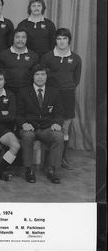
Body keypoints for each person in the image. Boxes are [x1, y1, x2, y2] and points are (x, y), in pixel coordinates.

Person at [41, 28, 82, 169]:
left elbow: (76, 80)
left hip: (68, 96)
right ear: (55, 40)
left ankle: (62, 158)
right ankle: (48, 159)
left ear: (69, 40)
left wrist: (67, 87)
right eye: (59, 38)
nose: (62, 41)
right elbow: (42, 77)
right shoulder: (47, 57)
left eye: (64, 38)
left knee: (65, 128)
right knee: (50, 126)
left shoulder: (76, 58)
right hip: (51, 95)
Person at [17, 64, 64, 184]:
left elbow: (59, 113)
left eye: (43, 74)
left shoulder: (55, 92)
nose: (40, 77)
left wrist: (57, 123)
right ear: (33, 77)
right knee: (27, 136)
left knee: (58, 136)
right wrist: (23, 124)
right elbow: (18, 114)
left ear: (47, 76)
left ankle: (52, 170)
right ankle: (29, 170)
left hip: (46, 128)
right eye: (37, 74)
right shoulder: (23, 92)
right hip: (29, 127)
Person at [0, 28, 39, 95]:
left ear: (27, 39)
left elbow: (36, 76)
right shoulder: (3, 55)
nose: (20, 40)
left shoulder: (34, 56)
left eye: (23, 37)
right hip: (7, 92)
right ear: (12, 38)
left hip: (27, 92)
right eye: (17, 37)